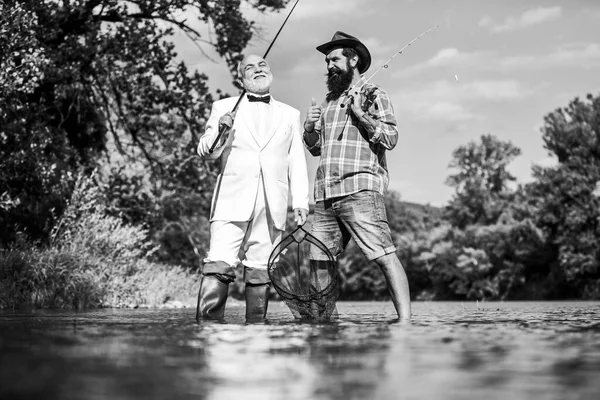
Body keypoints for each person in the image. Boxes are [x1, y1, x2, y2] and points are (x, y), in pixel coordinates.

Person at [302, 31, 411, 320]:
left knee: (384, 255)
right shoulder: (326, 104)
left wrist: (361, 114)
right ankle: (322, 327)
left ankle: (406, 324)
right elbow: (316, 149)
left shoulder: (374, 94)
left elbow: (390, 137)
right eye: (327, 61)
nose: (329, 66)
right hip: (325, 194)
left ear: (353, 59)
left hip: (360, 188)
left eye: (335, 59)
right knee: (319, 263)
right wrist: (310, 129)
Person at [197, 54, 309, 321]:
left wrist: (301, 202)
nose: (258, 69)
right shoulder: (223, 107)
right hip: (231, 198)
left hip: (274, 203)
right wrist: (221, 131)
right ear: (241, 79)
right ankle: (209, 330)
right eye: (250, 67)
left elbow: (297, 161)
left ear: (270, 73)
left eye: (263, 66)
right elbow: (206, 152)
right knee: (219, 261)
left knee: (260, 268)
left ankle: (256, 334)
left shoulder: (290, 114)